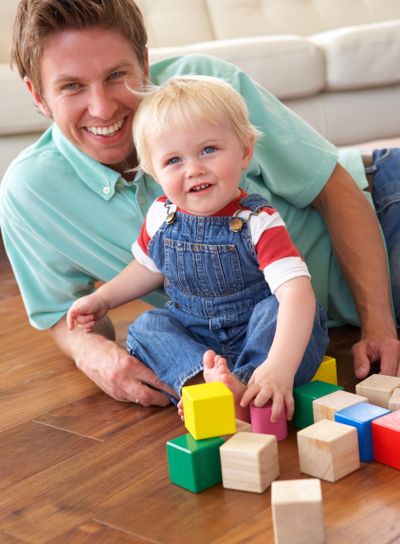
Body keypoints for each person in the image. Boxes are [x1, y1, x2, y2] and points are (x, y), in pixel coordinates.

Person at [1, 0, 399, 408]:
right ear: (38, 95)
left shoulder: (211, 92)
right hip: (253, 337)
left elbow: (332, 186)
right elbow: (64, 311)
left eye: (116, 75)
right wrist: (93, 348)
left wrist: (378, 321)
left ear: (143, 61)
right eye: (72, 86)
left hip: (383, 209)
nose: (102, 108)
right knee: (148, 328)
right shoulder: (29, 193)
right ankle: (219, 391)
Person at [66, 76, 329, 421]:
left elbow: (297, 293)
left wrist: (279, 365)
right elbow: (146, 268)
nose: (194, 169)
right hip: (196, 335)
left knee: (282, 312)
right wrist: (103, 299)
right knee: (147, 327)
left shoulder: (257, 221)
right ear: (154, 172)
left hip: (256, 332)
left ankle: (252, 386)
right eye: (174, 160)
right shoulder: (162, 214)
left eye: (208, 150)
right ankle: (203, 386)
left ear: (244, 151)